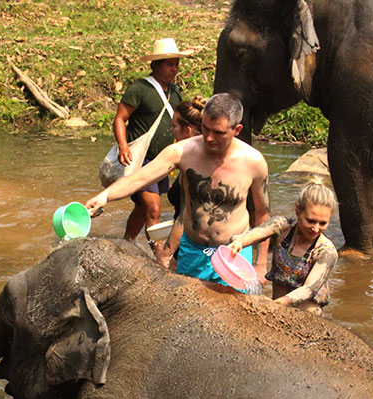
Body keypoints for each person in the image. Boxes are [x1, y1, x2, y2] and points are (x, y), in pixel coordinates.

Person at [86, 93, 270, 284]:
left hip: (234, 251)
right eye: (205, 129)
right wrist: (105, 195)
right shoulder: (182, 152)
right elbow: (139, 178)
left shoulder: (253, 162)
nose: (208, 138)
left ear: (237, 129)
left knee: (234, 309)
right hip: (193, 251)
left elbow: (262, 213)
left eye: (218, 133)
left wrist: (261, 264)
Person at [114, 38, 191, 248]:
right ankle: (159, 257)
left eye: (176, 64)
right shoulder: (139, 89)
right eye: (169, 64)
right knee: (154, 208)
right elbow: (120, 118)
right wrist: (123, 146)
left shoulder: (174, 92)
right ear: (155, 65)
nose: (174, 69)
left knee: (142, 208)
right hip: (142, 160)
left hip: (163, 160)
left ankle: (126, 244)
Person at [227, 178, 338, 314]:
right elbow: (256, 233)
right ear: (297, 210)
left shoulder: (326, 252)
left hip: (307, 314)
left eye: (323, 223)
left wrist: (280, 303)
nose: (315, 228)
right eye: (310, 221)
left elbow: (309, 288)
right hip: (277, 307)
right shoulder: (283, 227)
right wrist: (239, 242)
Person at [156, 97, 206, 268]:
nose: (171, 130)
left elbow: (184, 217)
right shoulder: (201, 158)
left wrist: (165, 254)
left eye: (174, 125)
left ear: (187, 131)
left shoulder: (192, 166)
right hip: (191, 245)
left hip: (190, 249)